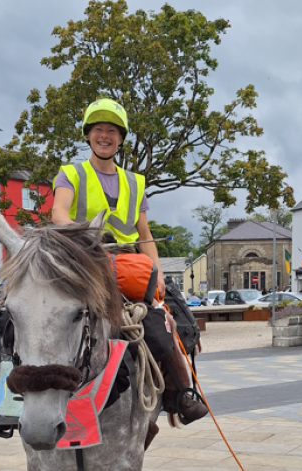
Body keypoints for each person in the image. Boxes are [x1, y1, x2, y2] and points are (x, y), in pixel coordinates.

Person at [51, 98, 206, 423]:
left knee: (166, 318)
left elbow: (144, 233)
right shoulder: (70, 174)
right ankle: (9, 403)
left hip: (125, 265)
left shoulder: (136, 183)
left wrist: (157, 273)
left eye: (112, 131)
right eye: (98, 129)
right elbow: (58, 214)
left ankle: (183, 394)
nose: (104, 136)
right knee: (24, 314)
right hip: (82, 259)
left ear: (120, 138)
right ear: (88, 135)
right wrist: (87, 235)